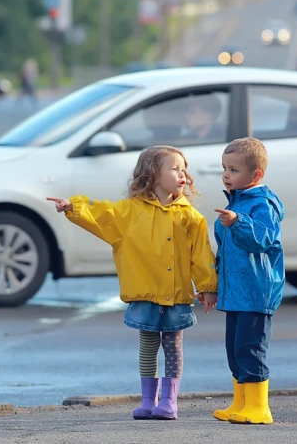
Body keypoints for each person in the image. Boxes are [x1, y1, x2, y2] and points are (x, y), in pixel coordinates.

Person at [47, 145, 218, 421]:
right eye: (174, 168)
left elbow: (201, 255)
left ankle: (169, 401)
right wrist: (73, 207)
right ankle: (148, 400)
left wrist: (208, 287)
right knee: (148, 347)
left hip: (176, 296)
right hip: (145, 295)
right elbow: (101, 213)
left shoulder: (191, 217)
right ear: (152, 174)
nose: (181, 174)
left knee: (173, 348)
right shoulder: (128, 212)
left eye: (183, 169)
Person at [212, 137, 285, 425]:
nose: (226, 175)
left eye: (233, 170)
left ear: (256, 175)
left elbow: (264, 239)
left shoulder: (263, 204)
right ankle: (240, 402)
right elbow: (226, 252)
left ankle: (259, 407)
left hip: (257, 291)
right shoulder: (237, 202)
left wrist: (237, 222)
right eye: (224, 168)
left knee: (250, 347)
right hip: (237, 292)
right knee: (234, 347)